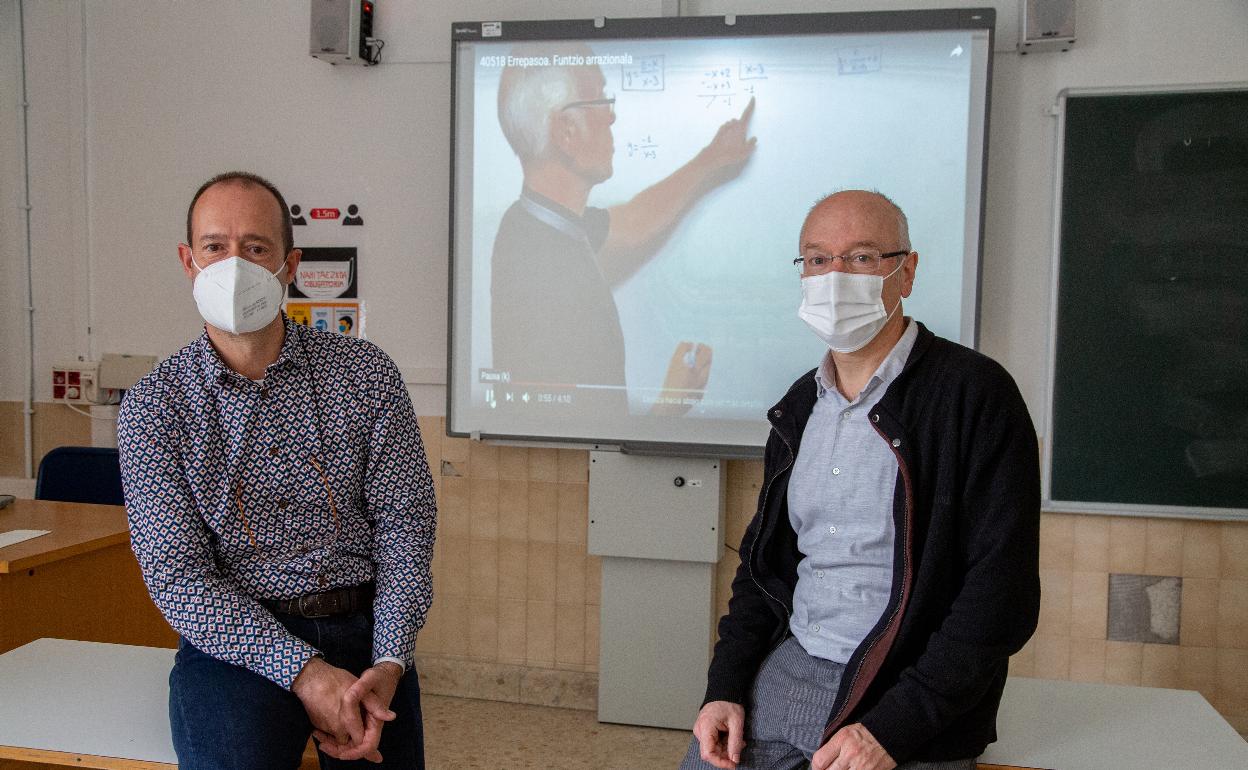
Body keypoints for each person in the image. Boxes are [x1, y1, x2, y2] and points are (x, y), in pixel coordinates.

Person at [682, 190, 1040, 770]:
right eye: (818, 260)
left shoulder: (975, 396)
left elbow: (1001, 598)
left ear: (907, 271)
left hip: (905, 695)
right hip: (793, 669)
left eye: (862, 257)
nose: (834, 276)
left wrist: (890, 731)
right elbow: (761, 571)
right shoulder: (799, 407)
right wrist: (723, 687)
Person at [117, 171, 436, 769]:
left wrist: (390, 661)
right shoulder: (155, 407)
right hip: (234, 643)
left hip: (367, 633)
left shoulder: (364, 375)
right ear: (189, 260)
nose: (233, 264)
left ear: (288, 265)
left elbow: (406, 530)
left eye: (256, 248)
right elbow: (177, 577)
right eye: (215, 247)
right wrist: (306, 674)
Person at [490, 44, 752, 415]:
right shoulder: (542, 270)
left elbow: (633, 220)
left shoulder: (535, 225)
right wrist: (671, 402)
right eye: (599, 99)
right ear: (566, 131)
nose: (611, 116)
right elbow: (576, 430)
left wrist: (711, 158)